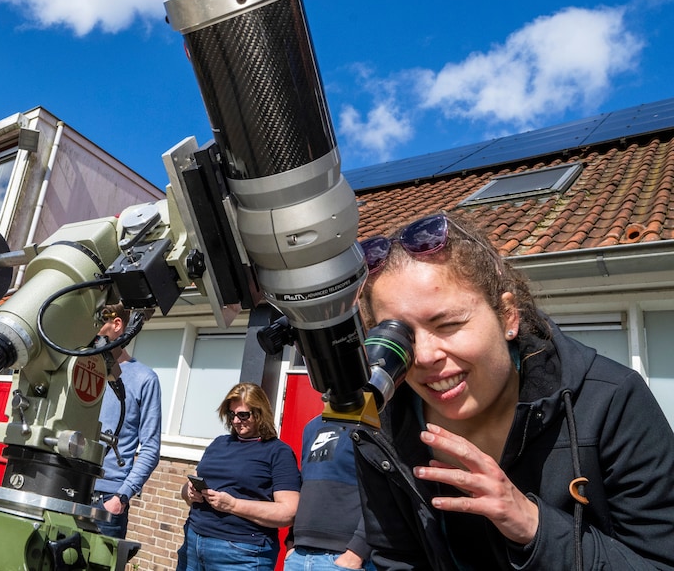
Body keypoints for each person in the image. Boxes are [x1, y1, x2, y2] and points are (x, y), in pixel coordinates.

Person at [353, 211, 674, 570]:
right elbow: (397, 559)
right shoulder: (380, 429)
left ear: (508, 315)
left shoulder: (612, 400)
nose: (425, 356)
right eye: (401, 335)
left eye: (448, 324)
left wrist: (532, 525)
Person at [177, 382, 300, 570]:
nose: (235, 421)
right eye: (231, 414)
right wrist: (189, 492)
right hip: (193, 541)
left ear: (260, 413)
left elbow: (288, 512)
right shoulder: (218, 444)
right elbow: (188, 487)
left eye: (243, 415)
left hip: (241, 552)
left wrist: (233, 505)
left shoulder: (278, 452)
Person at [92, 303, 162, 539]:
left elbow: (150, 448)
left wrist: (121, 496)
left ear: (117, 325)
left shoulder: (144, 379)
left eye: (98, 321)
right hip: (67, 487)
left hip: (106, 501)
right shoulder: (80, 369)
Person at [283, 414, 373, 571]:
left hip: (342, 558)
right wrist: (292, 540)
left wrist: (357, 552)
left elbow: (383, 495)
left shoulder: (371, 421)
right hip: (298, 556)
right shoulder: (311, 426)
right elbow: (307, 486)